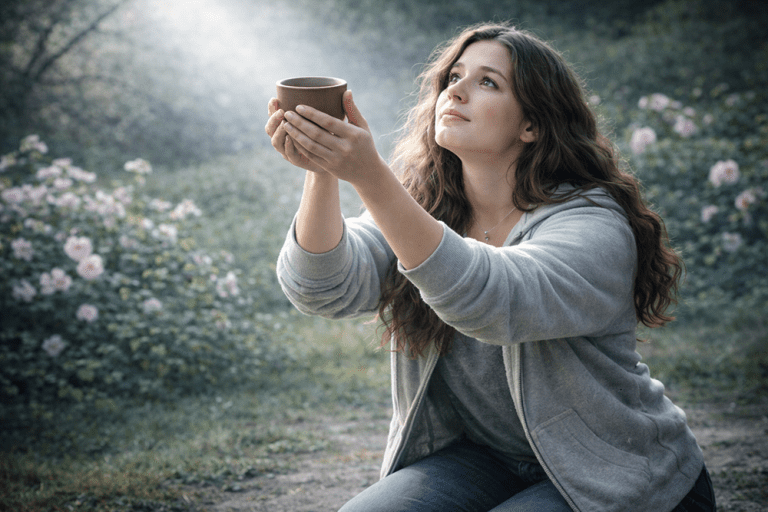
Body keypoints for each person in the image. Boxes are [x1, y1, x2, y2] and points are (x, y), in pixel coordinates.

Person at [265, 22, 715, 512]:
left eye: (487, 82)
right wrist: (323, 171)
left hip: (616, 467)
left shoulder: (592, 223)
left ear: (532, 125)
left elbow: (496, 301)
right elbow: (323, 288)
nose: (456, 90)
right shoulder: (426, 208)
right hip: (483, 460)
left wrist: (370, 175)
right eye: (454, 77)